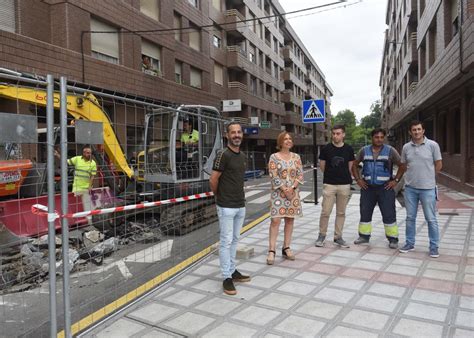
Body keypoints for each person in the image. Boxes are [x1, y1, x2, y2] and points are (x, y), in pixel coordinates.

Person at [209, 122, 250, 295]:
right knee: (225, 242)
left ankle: (232, 270)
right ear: (227, 135)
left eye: (239, 132)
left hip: (240, 205)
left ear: (242, 134)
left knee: (234, 240)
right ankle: (226, 277)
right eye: (233, 132)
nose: (236, 135)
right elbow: (213, 179)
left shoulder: (242, 156)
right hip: (226, 206)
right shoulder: (222, 155)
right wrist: (220, 197)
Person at [352, 128, 405, 249]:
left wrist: (395, 181)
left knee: (389, 214)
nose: (379, 139)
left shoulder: (390, 151)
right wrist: (358, 180)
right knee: (365, 212)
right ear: (372, 138)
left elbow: (402, 166)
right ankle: (364, 236)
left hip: (385, 188)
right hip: (367, 188)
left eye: (382, 137)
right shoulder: (364, 151)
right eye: (377, 137)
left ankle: (393, 239)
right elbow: (354, 165)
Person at [399, 120, 442, 258]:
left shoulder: (432, 145)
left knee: (431, 218)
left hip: (428, 188)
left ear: (423, 131)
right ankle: (409, 243)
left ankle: (434, 247)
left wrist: (429, 176)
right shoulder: (406, 147)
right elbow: (404, 165)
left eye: (419, 129)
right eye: (414, 130)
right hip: (410, 188)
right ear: (410, 132)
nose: (416, 132)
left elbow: (438, 164)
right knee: (410, 218)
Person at [315, 125, 355, 248]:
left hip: (344, 184)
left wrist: (345, 178)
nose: (335, 136)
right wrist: (330, 177)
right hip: (329, 184)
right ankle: (321, 235)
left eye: (338, 133)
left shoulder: (349, 149)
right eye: (333, 133)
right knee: (325, 211)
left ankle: (338, 237)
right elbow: (322, 166)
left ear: (343, 135)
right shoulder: (326, 149)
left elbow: (350, 166)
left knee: (341, 212)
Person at [267, 132, 304, 265]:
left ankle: (286, 247)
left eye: (290, 139)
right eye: (285, 139)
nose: (288, 141)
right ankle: (271, 250)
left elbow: (300, 175)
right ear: (280, 142)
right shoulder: (274, 157)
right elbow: (273, 174)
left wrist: (292, 189)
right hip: (279, 193)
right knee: (275, 220)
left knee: (289, 220)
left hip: (293, 193)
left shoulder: (296, 157)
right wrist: (284, 189)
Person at [56, 146, 97, 224]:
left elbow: (92, 176)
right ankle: (76, 220)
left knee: (86, 205)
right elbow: (66, 161)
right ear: (84, 153)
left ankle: (88, 221)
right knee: (76, 204)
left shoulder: (93, 163)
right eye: (87, 153)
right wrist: (58, 155)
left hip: (86, 187)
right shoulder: (77, 159)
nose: (89, 154)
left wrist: (89, 186)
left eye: (90, 153)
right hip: (77, 187)